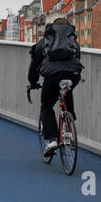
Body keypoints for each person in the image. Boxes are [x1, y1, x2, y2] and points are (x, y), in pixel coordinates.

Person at [28, 18, 84, 157]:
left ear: (52, 28)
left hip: (53, 76)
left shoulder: (44, 41)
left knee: (46, 106)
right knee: (66, 91)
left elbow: (34, 66)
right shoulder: (72, 40)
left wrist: (33, 82)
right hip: (73, 74)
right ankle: (70, 129)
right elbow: (78, 58)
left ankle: (53, 140)